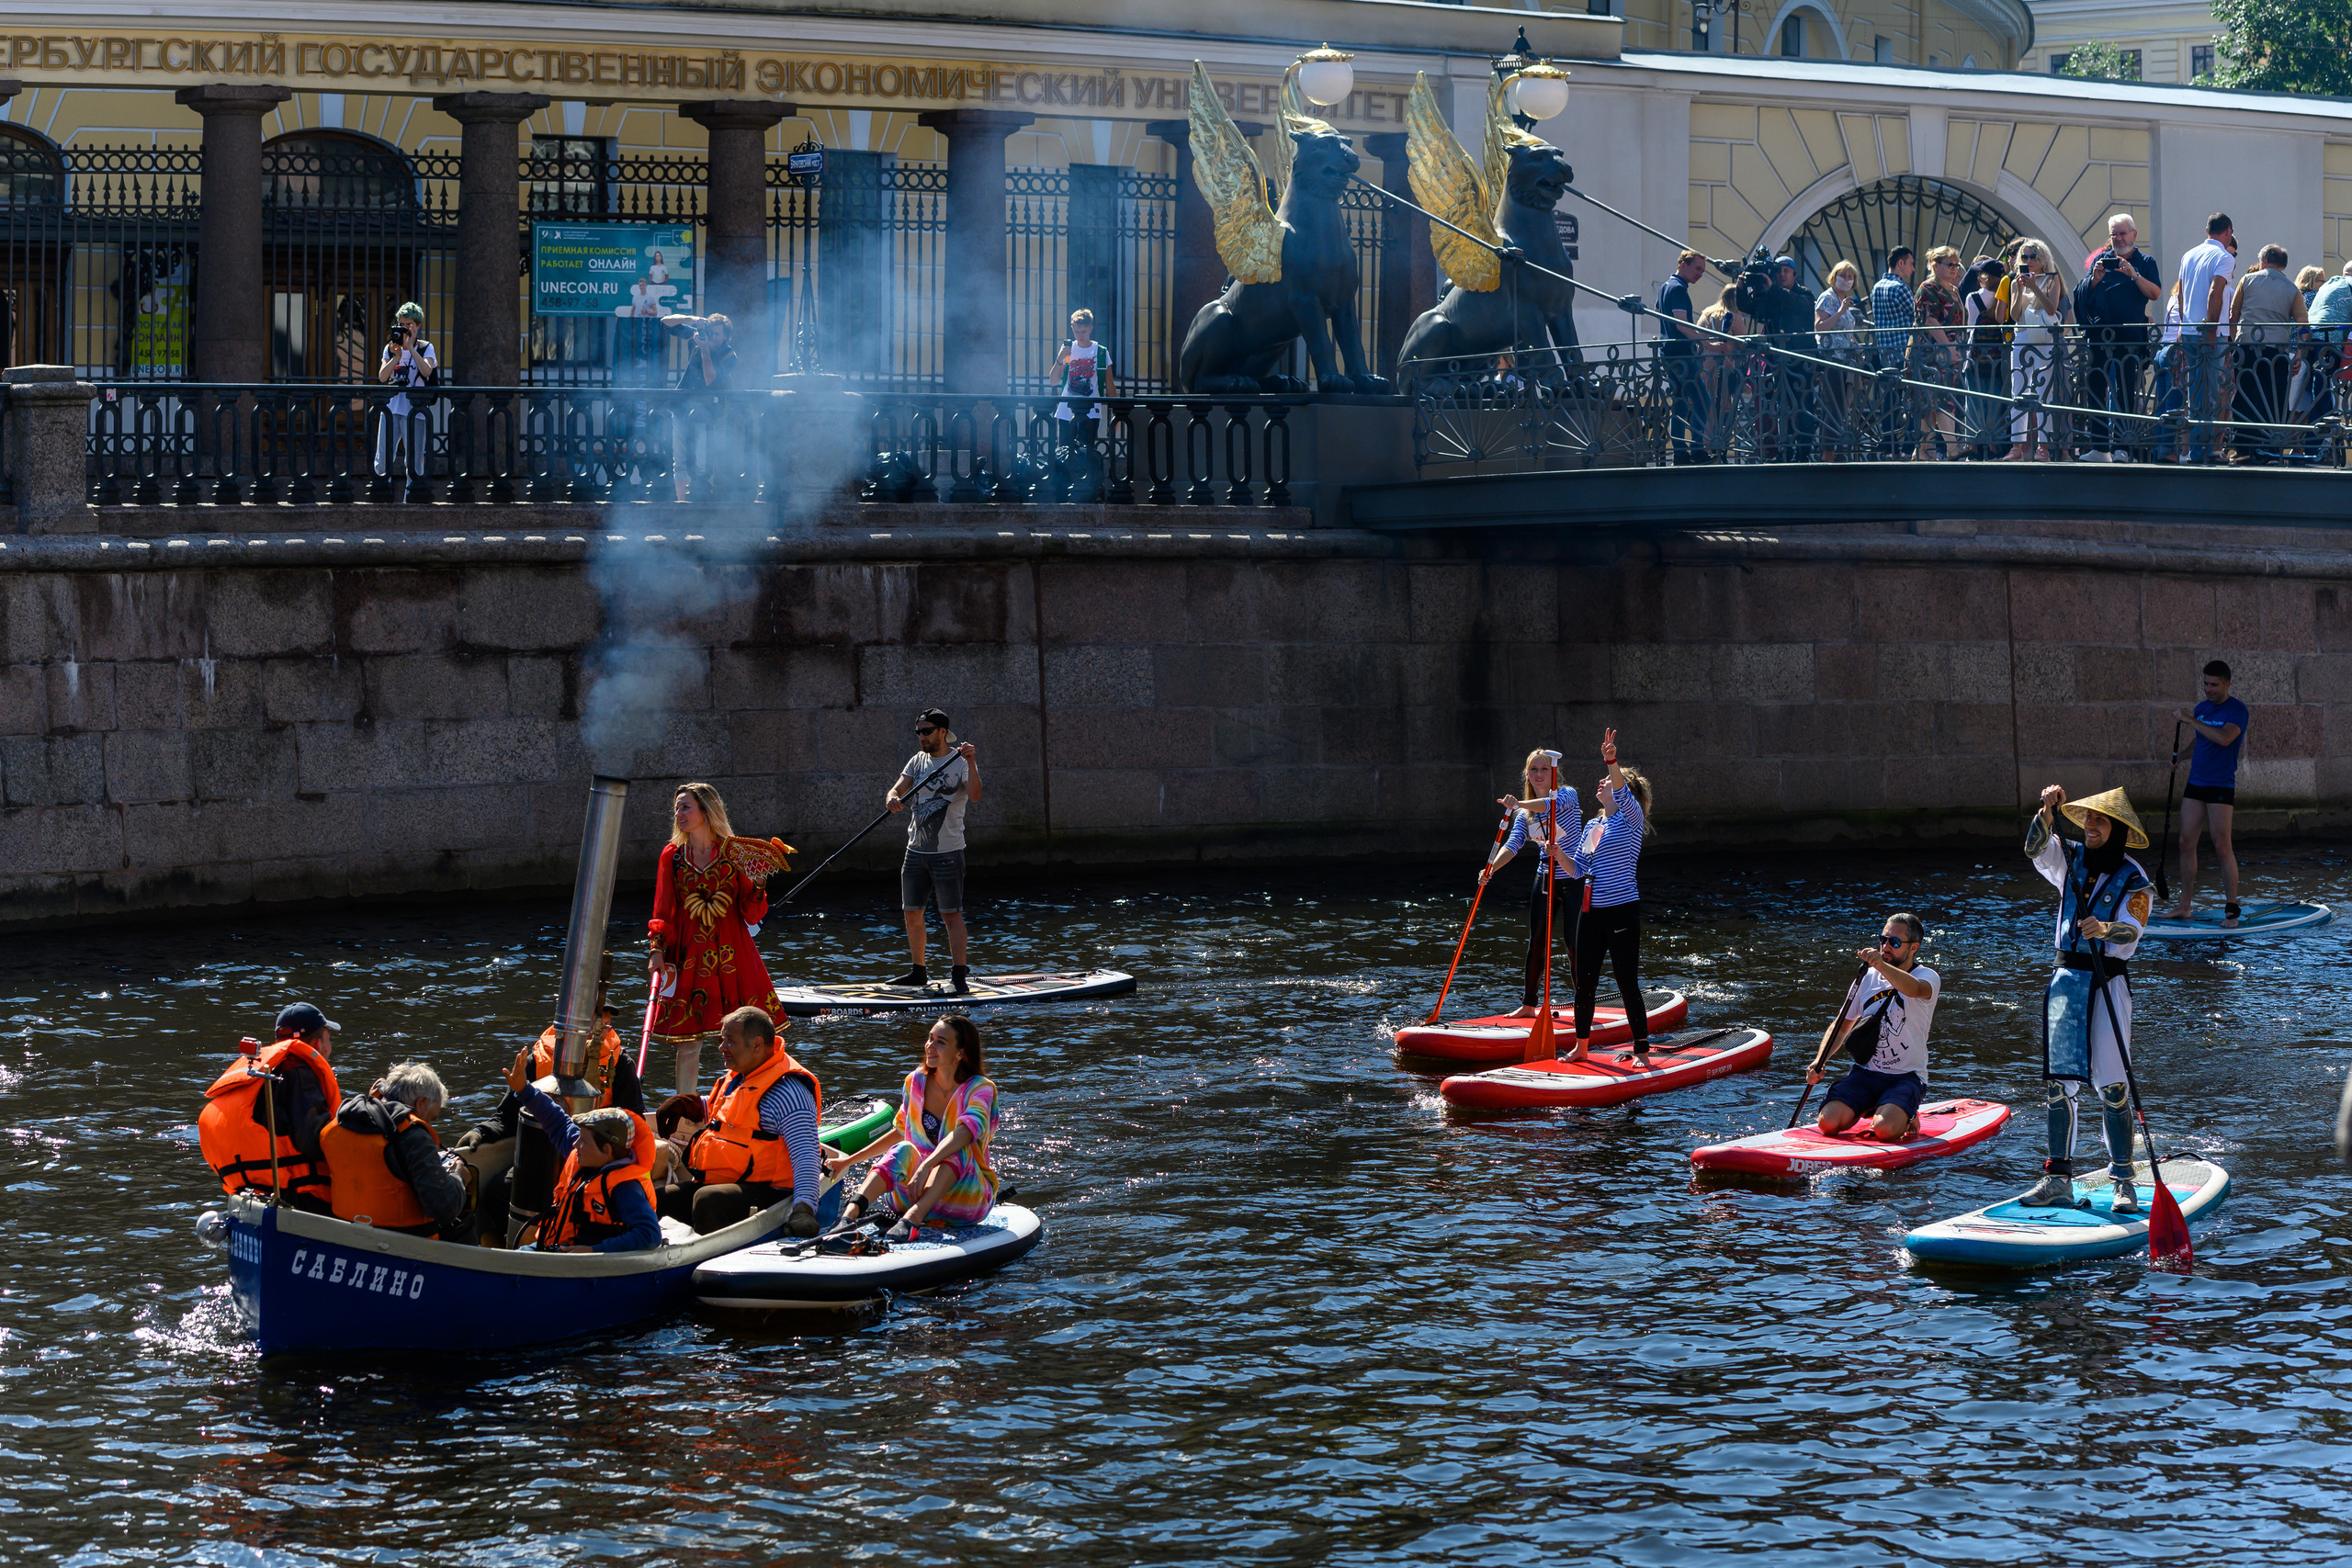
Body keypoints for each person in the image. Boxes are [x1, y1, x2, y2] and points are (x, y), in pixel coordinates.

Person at [2021, 784, 2155, 1211]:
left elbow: (2133, 931)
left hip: (2108, 982)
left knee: (2113, 1086)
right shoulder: (2071, 856)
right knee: (2059, 1084)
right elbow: (2034, 849)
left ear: (2116, 828)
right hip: (2066, 980)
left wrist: (2105, 929)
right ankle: (2058, 1179)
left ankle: (2123, 1182)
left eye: (2100, 820)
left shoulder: (2135, 879)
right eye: (2088, 820)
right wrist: (2046, 810)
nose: (2091, 826)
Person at [452, 976, 645, 1241]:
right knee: (498, 1191)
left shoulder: (620, 1064)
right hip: (540, 1153)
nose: (603, 1026)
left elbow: (634, 1121)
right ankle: (512, 1246)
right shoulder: (536, 1060)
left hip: (596, 1159)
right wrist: (482, 1132)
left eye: (606, 1019)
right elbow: (508, 1115)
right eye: (596, 1018)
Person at [648, 782, 783, 1096]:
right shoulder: (673, 856)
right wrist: (656, 950)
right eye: (677, 808)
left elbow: (752, 913)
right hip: (688, 954)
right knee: (688, 1043)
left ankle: (742, 1101)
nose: (679, 814)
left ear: (706, 811)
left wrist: (759, 883)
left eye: (686, 807)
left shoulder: (735, 853)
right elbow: (663, 908)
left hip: (733, 957)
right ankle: (686, 1107)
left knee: (742, 1039)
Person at [828, 1014, 1002, 1241]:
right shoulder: (915, 1082)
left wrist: (926, 1166)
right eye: (930, 1038)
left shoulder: (981, 1089)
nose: (930, 1046)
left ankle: (912, 1220)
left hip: (964, 1199)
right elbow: (900, 1132)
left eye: (941, 1042)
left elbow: (966, 1131)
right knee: (903, 1148)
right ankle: (846, 1219)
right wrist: (848, 1161)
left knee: (958, 1148)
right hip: (912, 1191)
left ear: (961, 1052)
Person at [666, 1006, 821, 1237]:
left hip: (772, 1191)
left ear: (757, 1044)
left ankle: (707, 1259)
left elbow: (806, 1155)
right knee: (655, 1197)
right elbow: (729, 1116)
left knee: (708, 1199)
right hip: (725, 1182)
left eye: (730, 1041)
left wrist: (803, 1209)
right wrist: (690, 1105)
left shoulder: (789, 1092)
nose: (722, 1048)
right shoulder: (740, 1074)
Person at [503, 1046, 662, 1253]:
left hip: (586, 1262)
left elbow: (649, 1235)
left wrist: (594, 1251)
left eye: (583, 1142)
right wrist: (523, 1088)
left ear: (606, 1150)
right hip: (556, 1249)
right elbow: (556, 1120)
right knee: (521, 1255)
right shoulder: (586, 1152)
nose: (575, 1145)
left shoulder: (625, 1188)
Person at [1804, 914, 1939, 1142]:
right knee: (1828, 1124)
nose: (1886, 947)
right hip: (1866, 1073)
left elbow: (1913, 989)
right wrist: (1820, 1060)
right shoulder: (1867, 977)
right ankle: (1872, 1106)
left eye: (1894, 943)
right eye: (1883, 939)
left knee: (1884, 1131)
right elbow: (1841, 1024)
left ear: (1914, 947)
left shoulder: (1927, 977)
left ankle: (1907, 1113)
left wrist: (1880, 964)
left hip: (1906, 1077)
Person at [197, 1002, 343, 1213]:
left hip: (253, 1192)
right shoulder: (300, 1071)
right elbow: (312, 1141)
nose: (330, 1046)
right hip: (300, 1197)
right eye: (329, 1038)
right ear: (318, 1044)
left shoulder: (260, 1070)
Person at [1566, 730, 1652, 1067]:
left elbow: (1620, 789)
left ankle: (1642, 1050)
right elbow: (1578, 870)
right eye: (1604, 778)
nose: (1601, 783)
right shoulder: (1591, 826)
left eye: (1610, 781)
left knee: (1626, 980)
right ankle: (1582, 1046)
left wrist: (1612, 761)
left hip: (1622, 911)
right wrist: (1557, 853)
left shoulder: (1630, 819)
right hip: (1591, 912)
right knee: (1584, 980)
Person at [319, 1061, 475, 1242]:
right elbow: (445, 1208)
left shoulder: (340, 1123)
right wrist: (458, 1177)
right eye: (431, 1118)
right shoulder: (413, 1136)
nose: (429, 1124)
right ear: (421, 1102)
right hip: (401, 1245)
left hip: (344, 1235)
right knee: (462, 1218)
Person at [1481, 749, 1583, 1018]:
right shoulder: (1524, 815)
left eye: (1544, 769)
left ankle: (1583, 1005)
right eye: (1534, 770)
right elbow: (1512, 846)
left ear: (1553, 774)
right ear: (1527, 775)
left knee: (1573, 945)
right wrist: (1490, 868)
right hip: (1545, 878)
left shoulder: (1568, 795)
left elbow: (1548, 805)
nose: (1539, 774)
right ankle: (1529, 1005)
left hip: (1574, 879)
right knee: (1536, 942)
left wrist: (1518, 804)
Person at [888, 707, 982, 992]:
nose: (921, 737)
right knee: (911, 913)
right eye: (918, 732)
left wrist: (973, 762)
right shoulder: (917, 761)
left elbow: (975, 795)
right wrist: (892, 799)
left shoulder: (960, 761)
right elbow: (896, 789)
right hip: (915, 850)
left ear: (942, 732)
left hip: (948, 852)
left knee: (950, 915)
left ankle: (958, 977)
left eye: (926, 731)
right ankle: (918, 972)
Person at [2070, 212, 2161, 461]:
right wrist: (2094, 280)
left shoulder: (2146, 262)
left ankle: (2125, 447)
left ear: (2134, 235)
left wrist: (2134, 274)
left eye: (2123, 233)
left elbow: (2154, 293)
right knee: (2096, 388)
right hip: (2101, 337)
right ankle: (2100, 448)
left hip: (2130, 337)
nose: (2119, 239)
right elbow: (2083, 294)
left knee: (2125, 393)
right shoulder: (2102, 259)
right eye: (2114, 234)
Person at [2167, 660, 2249, 926]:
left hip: (2220, 785)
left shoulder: (2237, 711)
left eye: (2214, 684)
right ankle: (2184, 906)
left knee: (2221, 845)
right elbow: (2201, 740)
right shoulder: (2202, 708)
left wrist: (2191, 720)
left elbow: (2224, 738)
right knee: (2184, 842)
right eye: (2205, 684)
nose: (2208, 689)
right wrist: (2181, 756)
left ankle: (2232, 910)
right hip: (2196, 784)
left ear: (2227, 683)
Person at [2229, 243, 2307, 462]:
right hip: (2277, 352)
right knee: (2274, 398)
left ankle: (2243, 447)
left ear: (2263, 261)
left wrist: (2236, 342)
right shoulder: (2293, 289)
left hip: (2246, 350)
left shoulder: (2247, 280)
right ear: (2283, 265)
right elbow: (2303, 326)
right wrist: (2298, 354)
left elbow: (2233, 316)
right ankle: (2270, 447)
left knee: (2245, 395)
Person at [2177, 214, 2238, 463]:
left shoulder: (2188, 255)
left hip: (2190, 329)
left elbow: (2180, 292)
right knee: (2211, 391)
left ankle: (2195, 450)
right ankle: (2203, 451)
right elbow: (2216, 292)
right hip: (2210, 333)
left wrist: (2183, 323)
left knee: (2195, 391)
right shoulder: (2224, 257)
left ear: (2207, 230)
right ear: (2228, 231)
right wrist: (2211, 330)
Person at [660, 310, 736, 502]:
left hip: (708, 412)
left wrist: (704, 350)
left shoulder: (730, 356)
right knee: (680, 459)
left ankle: (700, 503)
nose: (712, 337)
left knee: (702, 461)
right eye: (711, 333)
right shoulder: (700, 336)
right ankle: (681, 502)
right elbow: (665, 323)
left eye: (717, 334)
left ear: (726, 336)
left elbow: (711, 379)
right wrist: (691, 320)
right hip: (682, 406)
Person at [2004, 239, 2067, 461]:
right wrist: (2021, 290)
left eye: (2033, 257)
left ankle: (2043, 447)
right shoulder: (2015, 282)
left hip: (2043, 337)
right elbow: (2013, 315)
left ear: (2042, 259)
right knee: (2018, 390)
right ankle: (2016, 447)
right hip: (2022, 335)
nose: (2029, 261)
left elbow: (2051, 307)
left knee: (2045, 392)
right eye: (2025, 257)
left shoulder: (2052, 279)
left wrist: (2034, 287)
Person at [1910, 247, 1965, 459]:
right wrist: (1950, 348)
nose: (1954, 269)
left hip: (1946, 353)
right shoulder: (1928, 288)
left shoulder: (1953, 288)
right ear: (1934, 264)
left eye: (1956, 265)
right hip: (1929, 353)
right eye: (1949, 264)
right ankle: (1951, 449)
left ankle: (1924, 451)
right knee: (1938, 401)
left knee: (1935, 402)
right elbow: (1929, 320)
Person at [1054, 307, 1115, 496]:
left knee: (1085, 451)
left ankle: (1083, 492)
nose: (1079, 335)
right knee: (1064, 450)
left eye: (1083, 331)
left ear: (1090, 328)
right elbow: (1053, 380)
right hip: (1066, 409)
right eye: (1076, 331)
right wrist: (1060, 359)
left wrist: (1116, 415)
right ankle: (1063, 491)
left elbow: (1110, 386)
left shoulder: (1100, 352)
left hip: (1090, 411)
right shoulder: (1068, 350)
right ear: (1072, 328)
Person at [1657, 249, 1709, 464]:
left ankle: (1679, 453)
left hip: (1668, 354)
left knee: (1680, 404)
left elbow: (1657, 310)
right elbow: (1681, 324)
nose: (1700, 274)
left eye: (1703, 271)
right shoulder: (1678, 289)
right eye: (1697, 268)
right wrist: (1707, 345)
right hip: (1682, 357)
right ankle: (1697, 450)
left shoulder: (1665, 287)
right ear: (1683, 265)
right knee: (1703, 401)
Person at [373, 302, 436, 479]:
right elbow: (383, 377)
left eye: (409, 325)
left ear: (418, 326)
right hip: (391, 409)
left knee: (414, 463)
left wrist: (412, 350)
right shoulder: (391, 348)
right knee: (383, 459)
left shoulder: (426, 348)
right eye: (401, 324)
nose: (405, 328)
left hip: (416, 412)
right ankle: (382, 495)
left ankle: (412, 499)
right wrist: (397, 357)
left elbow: (427, 371)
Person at [1960, 255, 2008, 458]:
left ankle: (1972, 444)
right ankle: (1994, 445)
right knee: (1996, 398)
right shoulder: (2004, 297)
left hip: (1975, 356)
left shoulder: (1972, 298)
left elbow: (1970, 326)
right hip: (1998, 357)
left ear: (1984, 277)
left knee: (1974, 399)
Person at [1870, 247, 1917, 453]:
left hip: (1886, 354)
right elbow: (1917, 318)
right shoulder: (1900, 288)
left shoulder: (1877, 287)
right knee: (1911, 398)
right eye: (1911, 263)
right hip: (1904, 353)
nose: (1913, 269)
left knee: (1890, 400)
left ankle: (1888, 441)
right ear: (1901, 263)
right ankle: (1909, 444)